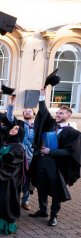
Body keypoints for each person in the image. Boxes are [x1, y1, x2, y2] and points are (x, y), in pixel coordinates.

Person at [29, 87, 81, 227]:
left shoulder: (74, 134)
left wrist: (50, 151)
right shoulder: (51, 125)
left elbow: (71, 152)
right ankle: (42, 210)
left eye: (61, 113)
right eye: (57, 112)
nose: (57, 115)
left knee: (56, 189)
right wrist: (42, 96)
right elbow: (44, 112)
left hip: (57, 165)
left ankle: (53, 215)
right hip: (41, 161)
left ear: (69, 115)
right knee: (41, 186)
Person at [0, 120, 25, 235]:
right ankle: (1, 222)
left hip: (10, 177)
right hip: (0, 175)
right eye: (13, 128)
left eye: (17, 129)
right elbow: (2, 155)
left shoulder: (18, 147)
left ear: (20, 133)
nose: (13, 129)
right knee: (0, 199)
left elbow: (12, 160)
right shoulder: (4, 143)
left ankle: (9, 226)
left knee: (8, 201)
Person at [6, 95, 35, 210]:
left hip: (32, 156)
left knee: (29, 180)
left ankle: (25, 200)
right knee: (17, 178)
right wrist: (11, 104)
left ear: (34, 114)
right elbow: (9, 117)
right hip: (19, 155)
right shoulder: (19, 124)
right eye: (25, 111)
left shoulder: (37, 126)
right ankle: (15, 200)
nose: (27, 112)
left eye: (30, 111)